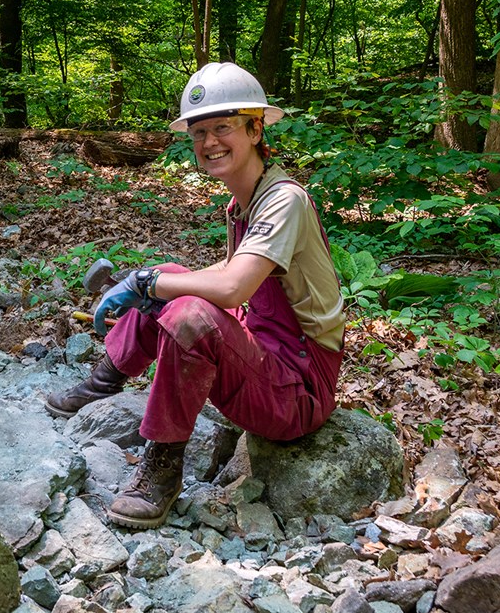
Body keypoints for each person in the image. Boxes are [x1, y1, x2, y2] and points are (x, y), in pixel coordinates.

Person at [45, 62, 345, 529]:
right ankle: (102, 383)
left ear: (255, 127)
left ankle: (162, 468)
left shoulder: (284, 199)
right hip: (266, 355)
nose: (208, 142)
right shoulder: (244, 201)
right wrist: (151, 279)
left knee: (187, 313)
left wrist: (148, 285)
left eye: (223, 127)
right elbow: (232, 273)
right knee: (168, 277)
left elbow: (232, 288)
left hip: (300, 389)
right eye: (199, 131)